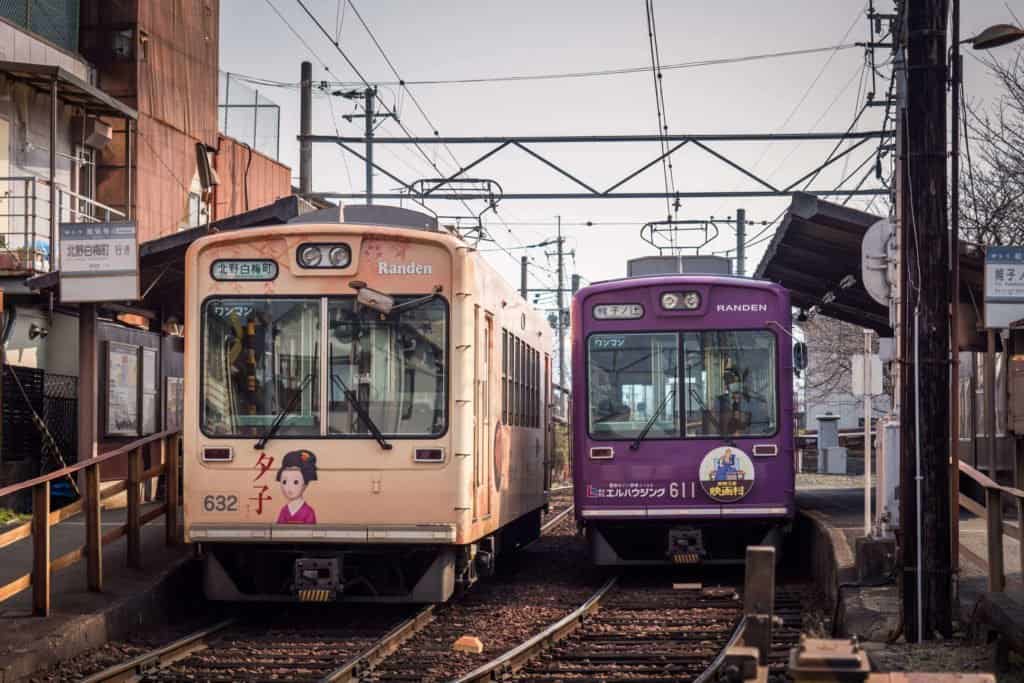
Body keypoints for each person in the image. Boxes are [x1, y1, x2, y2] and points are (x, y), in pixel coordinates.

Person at [276, 450, 318, 524]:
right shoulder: (284, 510)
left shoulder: (308, 512)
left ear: (305, 484)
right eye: (284, 482)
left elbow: (310, 532)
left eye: (295, 482)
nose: (288, 487)